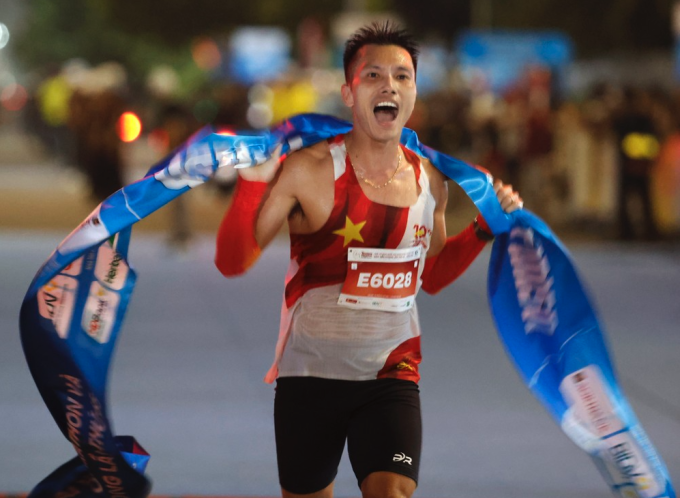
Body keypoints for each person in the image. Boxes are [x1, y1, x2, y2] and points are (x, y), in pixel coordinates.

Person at [214, 22, 523, 498]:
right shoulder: (309, 171)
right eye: (374, 76)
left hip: (390, 376)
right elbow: (233, 262)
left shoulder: (431, 182)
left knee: (393, 490)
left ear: (415, 93)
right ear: (348, 92)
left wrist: (482, 229)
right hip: (310, 379)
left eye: (402, 77)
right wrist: (252, 185)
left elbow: (432, 275)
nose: (389, 87)